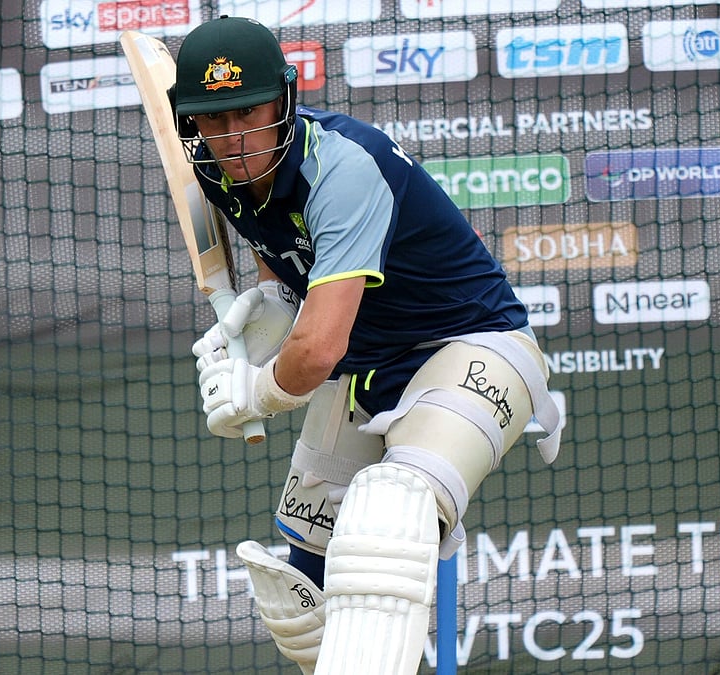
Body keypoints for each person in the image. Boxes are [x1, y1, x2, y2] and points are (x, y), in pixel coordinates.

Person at [174, 16, 563, 675]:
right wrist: (273, 304)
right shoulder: (216, 176)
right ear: (194, 126)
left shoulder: (343, 170)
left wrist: (257, 390)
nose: (234, 137)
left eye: (247, 112)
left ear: (283, 101)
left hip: (472, 345)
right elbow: (282, 253)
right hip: (367, 364)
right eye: (215, 119)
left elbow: (320, 347)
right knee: (303, 591)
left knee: (389, 513)